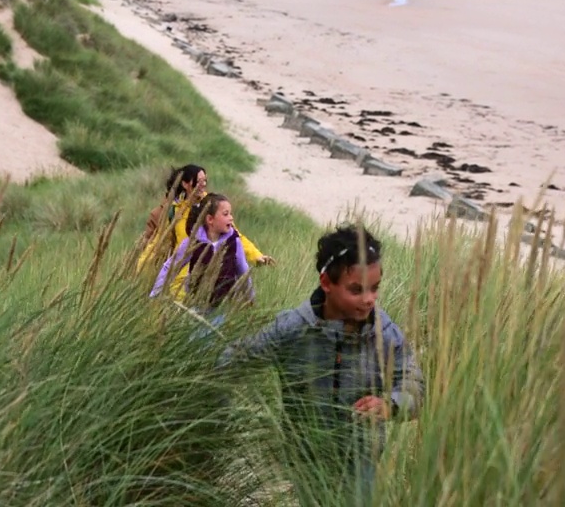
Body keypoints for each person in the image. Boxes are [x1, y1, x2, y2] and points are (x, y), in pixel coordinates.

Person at [215, 224, 424, 504]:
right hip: (305, 456)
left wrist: (391, 404)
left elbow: (415, 385)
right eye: (356, 290)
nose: (368, 300)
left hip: (361, 456)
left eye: (375, 289)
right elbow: (234, 361)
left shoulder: (385, 334)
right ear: (326, 283)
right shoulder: (292, 328)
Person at [137, 164, 273, 300]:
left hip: (210, 284)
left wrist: (256, 256)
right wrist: (140, 268)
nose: (203, 184)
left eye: (205, 180)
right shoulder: (174, 211)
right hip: (180, 282)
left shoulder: (212, 207)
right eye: (199, 181)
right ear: (185, 184)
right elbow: (157, 242)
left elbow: (236, 236)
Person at [149, 193, 256, 331]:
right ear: (210, 219)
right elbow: (170, 266)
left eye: (231, 213)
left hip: (223, 306)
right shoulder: (193, 242)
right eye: (226, 214)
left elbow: (243, 270)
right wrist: (156, 293)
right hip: (196, 306)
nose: (231, 217)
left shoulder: (234, 241)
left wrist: (249, 297)